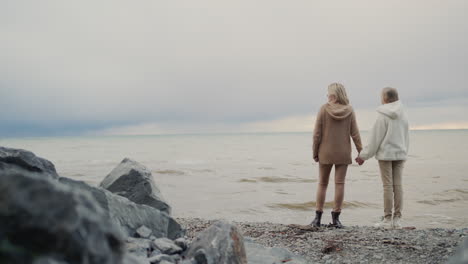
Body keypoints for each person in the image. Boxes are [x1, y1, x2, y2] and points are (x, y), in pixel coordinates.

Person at [356, 87, 409, 229]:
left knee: (387, 186)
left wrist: (363, 156)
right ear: (396, 98)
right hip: (400, 153)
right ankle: (397, 219)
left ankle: (386, 219)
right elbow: (406, 136)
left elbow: (375, 139)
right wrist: (404, 152)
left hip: (386, 155)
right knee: (398, 186)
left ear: (384, 98)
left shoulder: (383, 115)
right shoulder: (403, 114)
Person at [311, 83, 362, 228]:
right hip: (343, 152)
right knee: (339, 184)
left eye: (328, 93)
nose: (327, 96)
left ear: (332, 95)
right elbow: (355, 133)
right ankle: (336, 219)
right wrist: (361, 151)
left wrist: (315, 152)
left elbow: (317, 134)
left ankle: (317, 218)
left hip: (325, 152)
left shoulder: (323, 109)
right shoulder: (350, 110)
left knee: (322, 183)